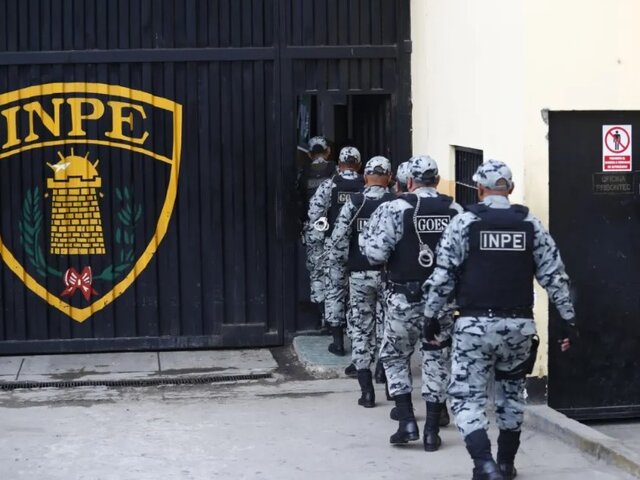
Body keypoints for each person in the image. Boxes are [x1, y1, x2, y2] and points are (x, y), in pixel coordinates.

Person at [422, 160, 577, 480]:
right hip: (519, 328)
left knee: (467, 398)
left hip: (473, 327)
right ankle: (505, 464)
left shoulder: (465, 222)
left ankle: (484, 464)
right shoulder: (530, 223)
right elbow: (555, 277)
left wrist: (430, 316)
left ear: (479, 189)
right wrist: (567, 320)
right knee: (511, 397)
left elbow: (443, 276)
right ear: (511, 189)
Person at [359, 155, 463, 450]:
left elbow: (375, 255)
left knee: (394, 355)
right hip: (443, 301)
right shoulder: (454, 209)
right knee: (437, 358)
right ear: (437, 180)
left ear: (408, 181)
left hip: (405, 298)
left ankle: (406, 421)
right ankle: (431, 430)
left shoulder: (395, 208)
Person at [328, 156, 396, 407]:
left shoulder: (355, 202)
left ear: (365, 177)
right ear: (390, 178)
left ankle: (366, 392)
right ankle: (385, 376)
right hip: (389, 276)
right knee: (388, 326)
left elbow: (338, 241)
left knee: (360, 328)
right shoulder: (396, 204)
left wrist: (341, 270)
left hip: (359, 275)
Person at [308, 146, 364, 355]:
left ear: (339, 164)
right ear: (359, 165)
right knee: (360, 294)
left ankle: (338, 343)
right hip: (362, 249)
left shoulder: (329, 185)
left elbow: (314, 215)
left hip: (336, 247)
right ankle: (360, 341)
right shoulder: (366, 185)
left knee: (335, 291)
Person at [296, 136, 336, 327]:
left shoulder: (303, 174)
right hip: (334, 229)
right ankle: (336, 317)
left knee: (317, 273)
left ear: (310, 154)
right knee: (336, 272)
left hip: (312, 229)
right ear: (328, 151)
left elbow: (298, 202)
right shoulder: (336, 172)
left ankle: (323, 317)